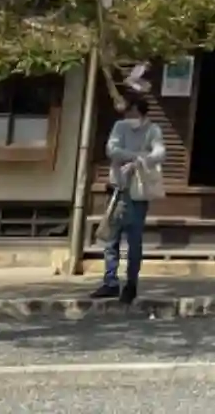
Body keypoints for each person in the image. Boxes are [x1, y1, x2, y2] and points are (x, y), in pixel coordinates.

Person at [92, 91, 165, 303]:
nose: (128, 115)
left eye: (131, 111)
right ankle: (110, 282)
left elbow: (160, 153)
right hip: (117, 188)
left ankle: (131, 284)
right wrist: (137, 158)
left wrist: (139, 162)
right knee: (111, 238)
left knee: (134, 240)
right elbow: (111, 150)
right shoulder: (119, 127)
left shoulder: (153, 130)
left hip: (138, 193)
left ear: (140, 112)